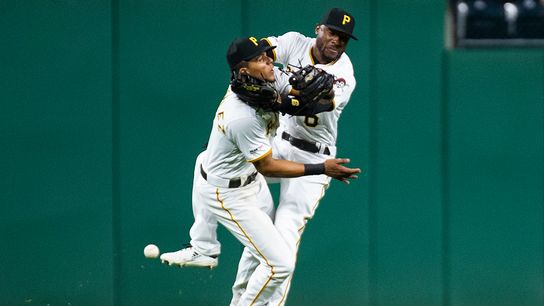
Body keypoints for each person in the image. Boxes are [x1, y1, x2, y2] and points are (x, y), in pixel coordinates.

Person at [163, 36, 360, 305]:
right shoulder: (241, 114)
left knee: (266, 246)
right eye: (260, 58)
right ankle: (207, 253)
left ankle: (205, 250)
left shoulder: (263, 80)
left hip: (251, 181)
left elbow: (293, 102)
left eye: (268, 55)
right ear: (244, 71)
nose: (269, 60)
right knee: (279, 264)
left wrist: (320, 94)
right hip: (230, 192)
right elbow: (266, 165)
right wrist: (320, 168)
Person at [230, 8, 359, 305]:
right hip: (278, 141)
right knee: (257, 226)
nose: (337, 40)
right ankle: (237, 297)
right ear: (319, 29)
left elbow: (311, 105)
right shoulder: (293, 42)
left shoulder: (344, 74)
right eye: (332, 32)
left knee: (284, 237)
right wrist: (246, 64)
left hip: (315, 156)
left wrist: (278, 95)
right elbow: (259, 51)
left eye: (344, 37)